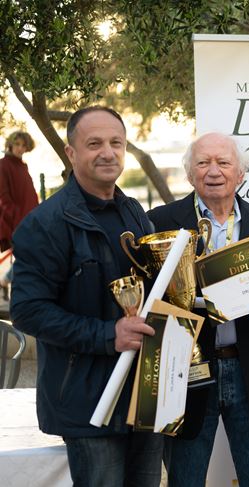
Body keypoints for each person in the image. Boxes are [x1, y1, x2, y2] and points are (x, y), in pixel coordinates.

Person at [11, 106, 163, 485]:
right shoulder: (45, 224)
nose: (107, 152)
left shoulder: (135, 213)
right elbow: (28, 311)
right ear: (71, 152)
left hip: (142, 397)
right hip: (87, 401)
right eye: (94, 144)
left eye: (116, 143)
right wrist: (108, 335)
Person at [148, 132, 249, 486]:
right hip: (186, 377)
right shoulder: (160, 223)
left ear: (241, 173)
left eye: (223, 162)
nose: (214, 171)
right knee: (185, 481)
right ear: (190, 173)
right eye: (203, 162)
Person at [0, 131, 38, 298]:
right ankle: (16, 291)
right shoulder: (3, 165)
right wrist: (16, 218)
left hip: (31, 219)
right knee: (28, 257)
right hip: (16, 221)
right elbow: (3, 196)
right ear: (10, 144)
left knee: (30, 256)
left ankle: (5, 281)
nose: (20, 148)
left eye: (24, 145)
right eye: (17, 144)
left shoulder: (23, 165)